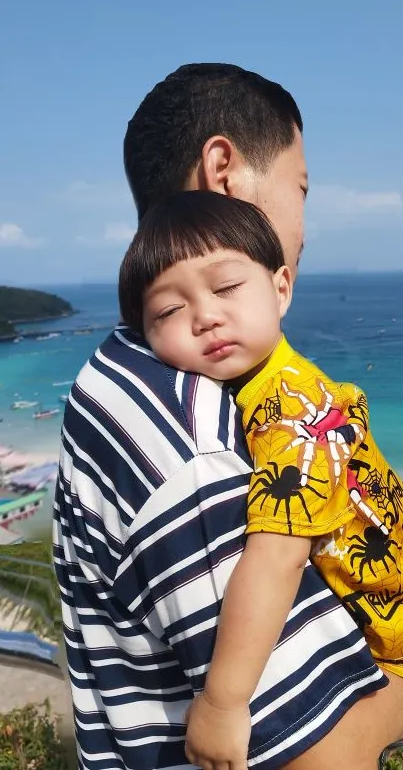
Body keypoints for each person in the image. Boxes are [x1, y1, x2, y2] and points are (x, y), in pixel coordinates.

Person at [53, 63, 403, 770]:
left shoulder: (150, 372)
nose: (303, 228)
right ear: (224, 170)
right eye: (300, 189)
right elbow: (316, 753)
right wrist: (223, 701)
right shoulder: (188, 441)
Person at [119, 190, 403, 770]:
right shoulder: (245, 391)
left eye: (226, 288)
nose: (206, 315)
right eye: (168, 312)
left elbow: (277, 557)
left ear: (281, 287)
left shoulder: (292, 408)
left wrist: (223, 702)